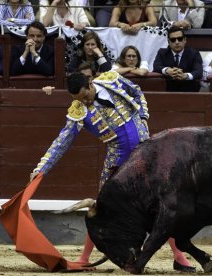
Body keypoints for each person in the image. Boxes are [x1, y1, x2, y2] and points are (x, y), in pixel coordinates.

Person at [31, 70, 195, 273]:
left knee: (162, 204)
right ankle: (84, 258)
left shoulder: (111, 79)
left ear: (90, 84)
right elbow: (62, 141)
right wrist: (42, 168)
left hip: (146, 152)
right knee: (101, 207)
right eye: (79, 100)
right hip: (118, 158)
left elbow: (136, 91)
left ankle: (179, 256)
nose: (84, 102)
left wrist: (143, 115)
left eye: (85, 97)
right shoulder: (78, 109)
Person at [153, 26, 203, 92]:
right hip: (167, 92)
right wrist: (167, 70)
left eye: (180, 39)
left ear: (185, 40)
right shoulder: (162, 52)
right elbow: (156, 66)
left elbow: (198, 71)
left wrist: (186, 76)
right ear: (168, 42)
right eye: (173, 40)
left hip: (189, 92)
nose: (177, 42)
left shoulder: (194, 53)